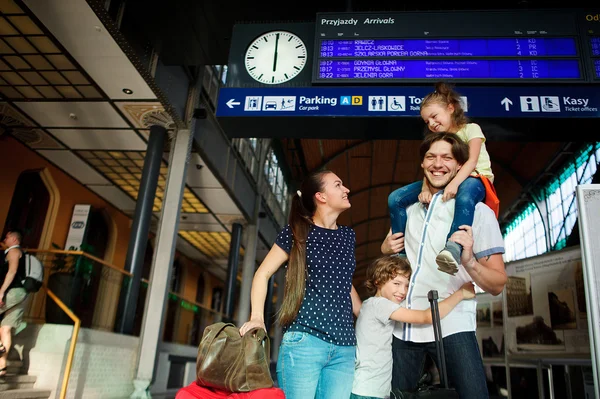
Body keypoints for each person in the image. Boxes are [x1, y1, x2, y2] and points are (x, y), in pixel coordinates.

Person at [381, 132, 507, 399]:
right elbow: (390, 254)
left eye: (447, 157)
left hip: (453, 325)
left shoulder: (478, 212)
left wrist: (469, 260)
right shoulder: (409, 211)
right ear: (423, 164)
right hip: (404, 327)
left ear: (460, 166)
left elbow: (497, 284)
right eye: (431, 157)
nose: (438, 163)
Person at [239, 170, 361, 399]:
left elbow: (343, 281)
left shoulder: (348, 236)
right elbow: (262, 274)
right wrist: (257, 316)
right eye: (338, 185)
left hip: (344, 348)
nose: (346, 190)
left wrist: (366, 314)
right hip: (305, 342)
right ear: (321, 197)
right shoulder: (296, 233)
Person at [387, 82, 495, 274]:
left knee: (464, 196)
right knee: (395, 198)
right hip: (449, 180)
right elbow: (431, 168)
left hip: (476, 177)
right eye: (427, 121)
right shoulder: (437, 140)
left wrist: (454, 183)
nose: (431, 123)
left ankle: (453, 247)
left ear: (451, 108)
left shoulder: (471, 129)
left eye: (434, 116)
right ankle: (401, 252)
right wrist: (425, 188)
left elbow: (471, 162)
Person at [351, 255, 475, 399]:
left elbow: (357, 307)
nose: (403, 291)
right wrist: (460, 294)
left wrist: (342, 275)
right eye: (396, 283)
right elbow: (426, 317)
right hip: (370, 392)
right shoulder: (381, 305)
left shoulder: (368, 305)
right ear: (378, 281)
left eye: (406, 285)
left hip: (362, 387)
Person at [0, 229, 29, 376]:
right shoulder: (21, 253)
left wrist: (2, 291)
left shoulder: (13, 251)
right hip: (21, 294)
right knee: (5, 329)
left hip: (12, 292)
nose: (4, 239)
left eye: (7, 237)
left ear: (14, 239)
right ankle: (2, 366)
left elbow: (11, 272)